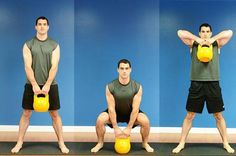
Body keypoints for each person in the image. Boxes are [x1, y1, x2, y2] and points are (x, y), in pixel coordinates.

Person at [172, 23, 234, 154]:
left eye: (207, 31)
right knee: (190, 115)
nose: (205, 33)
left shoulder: (217, 44)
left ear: (211, 33)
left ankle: (226, 143)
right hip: (196, 84)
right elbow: (180, 32)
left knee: (218, 115)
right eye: (203, 31)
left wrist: (212, 39)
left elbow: (229, 32)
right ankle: (181, 143)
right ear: (199, 33)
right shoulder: (192, 45)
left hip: (213, 83)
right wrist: (197, 39)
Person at [11, 16, 69, 154]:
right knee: (26, 113)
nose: (42, 26)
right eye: (39, 24)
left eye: (44, 24)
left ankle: (62, 143)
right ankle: (19, 143)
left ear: (48, 27)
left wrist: (48, 84)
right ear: (35, 27)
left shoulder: (54, 45)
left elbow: (55, 66)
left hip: (51, 84)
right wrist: (34, 84)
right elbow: (27, 66)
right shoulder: (28, 44)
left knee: (54, 114)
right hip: (31, 84)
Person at [91, 59, 154, 153]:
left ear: (130, 70)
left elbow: (135, 109)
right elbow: (111, 108)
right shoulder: (110, 86)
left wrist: (129, 127)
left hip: (131, 113)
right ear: (118, 70)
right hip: (115, 113)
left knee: (145, 121)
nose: (124, 71)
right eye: (122, 68)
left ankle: (145, 143)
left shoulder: (137, 87)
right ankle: (100, 143)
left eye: (126, 68)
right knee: (100, 119)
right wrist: (115, 127)